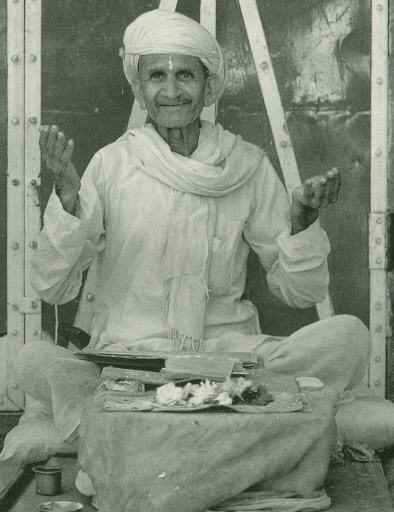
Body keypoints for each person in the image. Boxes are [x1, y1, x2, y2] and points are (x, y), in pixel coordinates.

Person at [11, 8, 378, 446]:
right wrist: (67, 200)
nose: (170, 90)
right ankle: (237, 420)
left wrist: (303, 223)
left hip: (226, 358)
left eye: (185, 75)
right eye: (156, 76)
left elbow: (301, 292)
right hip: (132, 359)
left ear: (208, 87)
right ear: (140, 88)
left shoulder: (246, 165)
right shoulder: (111, 165)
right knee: (31, 357)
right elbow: (54, 288)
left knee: (348, 335)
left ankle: (136, 424)